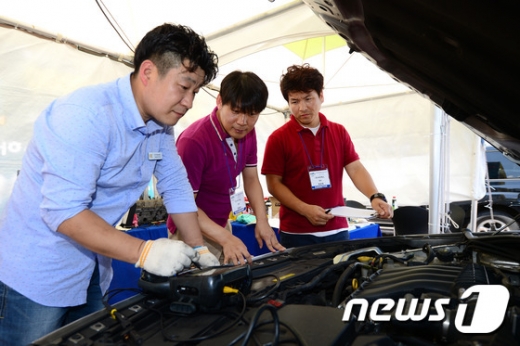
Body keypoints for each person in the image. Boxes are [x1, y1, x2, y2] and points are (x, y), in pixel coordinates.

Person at [0, 23, 220, 345]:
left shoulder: (160, 126)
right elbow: (64, 211)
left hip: (92, 262)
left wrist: (198, 247)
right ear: (148, 72)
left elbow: (175, 185)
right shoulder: (85, 114)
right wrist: (144, 252)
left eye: (195, 92)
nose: (189, 102)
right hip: (37, 271)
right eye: (184, 87)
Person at [261, 64, 393, 248]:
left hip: (337, 230)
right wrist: (304, 209)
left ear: (321, 96)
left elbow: (355, 168)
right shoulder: (278, 138)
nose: (302, 108)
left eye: (308, 99)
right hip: (296, 233)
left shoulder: (339, 131)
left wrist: (375, 195)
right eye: (294, 101)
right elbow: (274, 184)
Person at [167, 70, 285, 265]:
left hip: (221, 226)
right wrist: (225, 238)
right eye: (236, 111)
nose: (242, 122)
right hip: (189, 231)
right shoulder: (194, 141)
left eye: (252, 114)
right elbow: (185, 206)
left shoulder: (248, 132)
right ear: (220, 101)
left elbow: (251, 179)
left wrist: (262, 221)